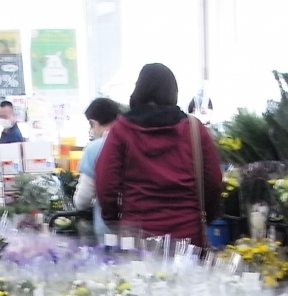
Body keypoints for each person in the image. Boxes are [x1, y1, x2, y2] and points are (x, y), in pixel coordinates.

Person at [96, 63, 223, 247]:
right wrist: (206, 216)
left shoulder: (122, 130)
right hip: (187, 236)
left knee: (138, 268)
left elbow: (105, 182)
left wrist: (113, 219)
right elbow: (213, 181)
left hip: (137, 238)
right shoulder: (194, 129)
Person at [73, 97, 120, 241]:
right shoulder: (134, 141)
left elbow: (82, 200)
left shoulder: (94, 148)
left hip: (107, 228)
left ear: (93, 122)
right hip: (136, 226)